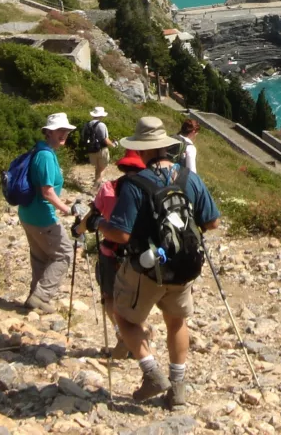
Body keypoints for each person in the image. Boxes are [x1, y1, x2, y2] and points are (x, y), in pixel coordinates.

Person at [87, 116, 220, 410]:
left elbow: (121, 233)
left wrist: (98, 223)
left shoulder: (135, 184)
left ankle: (151, 373)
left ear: (143, 150)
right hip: (184, 266)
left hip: (147, 269)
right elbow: (212, 222)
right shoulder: (190, 178)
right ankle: (179, 388)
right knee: (177, 322)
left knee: (125, 317)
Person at [74, 149, 146, 359]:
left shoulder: (109, 188)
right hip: (139, 254)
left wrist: (78, 230)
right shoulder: (148, 190)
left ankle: (122, 334)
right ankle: (138, 336)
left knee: (109, 296)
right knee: (136, 299)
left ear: (123, 166)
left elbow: (92, 217)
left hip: (111, 252)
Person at [20, 112, 77, 314]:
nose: (64, 134)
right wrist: (67, 209)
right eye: (59, 131)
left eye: (66, 131)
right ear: (48, 132)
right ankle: (41, 296)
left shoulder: (41, 150)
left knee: (40, 256)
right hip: (41, 216)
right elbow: (47, 191)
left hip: (29, 214)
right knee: (64, 253)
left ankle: (34, 297)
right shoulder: (45, 156)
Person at [83, 106, 115, 185]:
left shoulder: (87, 124)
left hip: (91, 149)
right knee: (103, 168)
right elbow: (105, 140)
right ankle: (96, 187)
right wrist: (113, 144)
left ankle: (96, 183)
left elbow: (83, 136)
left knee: (97, 168)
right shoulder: (102, 125)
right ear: (101, 115)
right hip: (101, 149)